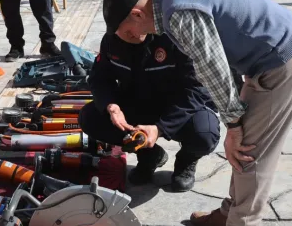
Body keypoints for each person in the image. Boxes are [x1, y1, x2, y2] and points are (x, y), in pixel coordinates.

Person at [101, 0, 292, 226]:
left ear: (137, 14)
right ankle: (232, 213)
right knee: (247, 148)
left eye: (127, 30)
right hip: (274, 57)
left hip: (282, 61)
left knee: (250, 154)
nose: (130, 36)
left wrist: (233, 125)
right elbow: (219, 58)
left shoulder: (179, 15)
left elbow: (213, 71)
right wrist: (236, 118)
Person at [79, 33, 219, 192]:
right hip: (138, 103)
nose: (125, 32)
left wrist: (161, 128)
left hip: (179, 106)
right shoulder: (111, 40)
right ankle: (149, 155)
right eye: (116, 27)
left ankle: (186, 160)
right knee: (90, 117)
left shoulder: (177, 37)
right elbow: (99, 79)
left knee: (205, 134)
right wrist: (111, 105)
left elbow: (196, 90)